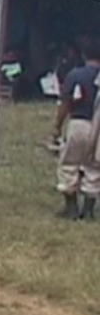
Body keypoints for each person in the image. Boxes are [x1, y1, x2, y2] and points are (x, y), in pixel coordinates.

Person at [53, 40, 100, 219]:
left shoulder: (75, 75)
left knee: (69, 163)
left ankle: (71, 207)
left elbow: (65, 103)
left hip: (78, 123)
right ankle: (88, 210)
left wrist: (57, 126)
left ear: (84, 55)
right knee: (95, 167)